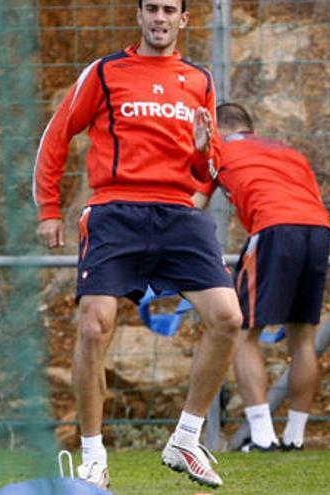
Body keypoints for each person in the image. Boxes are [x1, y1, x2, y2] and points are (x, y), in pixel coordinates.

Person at [33, 0, 241, 489]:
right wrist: (47, 209)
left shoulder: (200, 81)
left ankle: (185, 439)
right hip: (115, 212)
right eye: (152, 8)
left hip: (178, 213)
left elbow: (208, 170)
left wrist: (200, 150)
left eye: (170, 9)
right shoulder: (106, 72)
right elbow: (56, 137)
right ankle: (92, 458)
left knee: (228, 318)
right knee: (91, 327)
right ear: (140, 16)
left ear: (183, 19)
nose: (160, 17)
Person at [193, 103, 330, 452]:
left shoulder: (218, 149)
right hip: (318, 229)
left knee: (243, 333)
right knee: (303, 337)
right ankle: (295, 437)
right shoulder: (288, 152)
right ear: (249, 127)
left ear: (219, 128)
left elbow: (192, 205)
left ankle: (263, 437)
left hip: (273, 229)